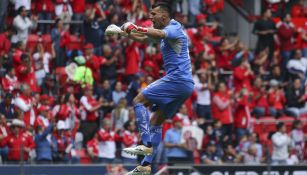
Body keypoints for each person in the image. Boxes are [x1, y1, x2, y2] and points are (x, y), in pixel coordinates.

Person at [116, 2, 194, 174]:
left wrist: (136, 26)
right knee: (156, 121)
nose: (150, 17)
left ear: (164, 17)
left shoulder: (173, 28)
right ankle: (145, 165)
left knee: (138, 101)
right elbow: (145, 38)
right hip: (185, 85)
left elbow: (157, 33)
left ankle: (146, 145)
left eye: (153, 14)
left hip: (177, 80)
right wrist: (122, 32)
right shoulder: (167, 32)